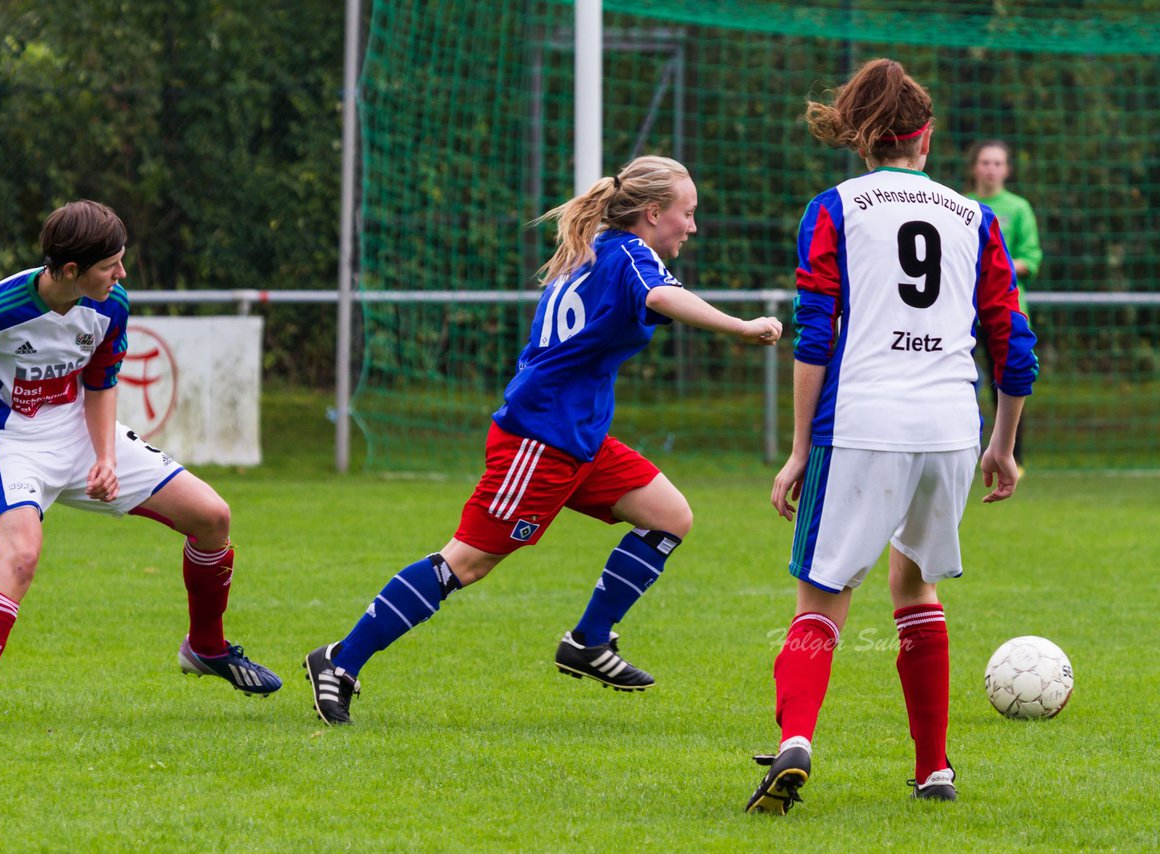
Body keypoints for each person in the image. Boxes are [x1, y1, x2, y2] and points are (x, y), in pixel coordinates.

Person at [303, 155, 783, 725]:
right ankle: (340, 660)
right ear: (653, 213)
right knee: (467, 562)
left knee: (669, 515)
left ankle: (588, 641)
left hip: (577, 437)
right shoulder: (630, 253)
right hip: (540, 439)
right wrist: (742, 326)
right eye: (688, 213)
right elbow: (660, 299)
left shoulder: (597, 249)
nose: (693, 225)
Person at [743, 60, 1038, 812]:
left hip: (866, 421)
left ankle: (797, 740)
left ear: (860, 137)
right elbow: (1013, 342)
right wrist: (1001, 444)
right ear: (926, 137)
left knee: (822, 595)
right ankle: (933, 768)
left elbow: (816, 336)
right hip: (949, 427)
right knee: (915, 583)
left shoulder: (836, 207)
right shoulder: (977, 217)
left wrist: (801, 449)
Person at [0, 200, 281, 731]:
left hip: (81, 436)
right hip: (9, 445)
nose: (121, 274)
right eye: (110, 265)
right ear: (71, 271)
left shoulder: (110, 304)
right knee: (20, 558)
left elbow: (100, 382)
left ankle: (206, 647)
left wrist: (107, 459)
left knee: (213, 516)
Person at [966, 139, 1042, 468]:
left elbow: (1031, 258)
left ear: (1007, 169)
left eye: (998, 163)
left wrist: (996, 267)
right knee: (963, 382)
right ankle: (965, 453)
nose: (991, 168)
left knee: (1007, 384)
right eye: (985, 162)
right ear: (975, 167)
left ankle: (1012, 456)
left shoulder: (1018, 208)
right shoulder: (961, 205)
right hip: (965, 312)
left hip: (1007, 311)